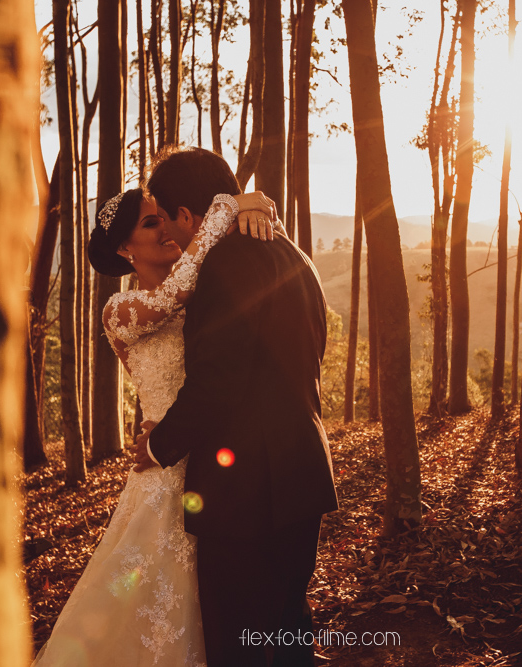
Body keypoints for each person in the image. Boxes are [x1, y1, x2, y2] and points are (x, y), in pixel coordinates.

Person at [31, 174, 280, 667]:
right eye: (151, 223)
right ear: (125, 248)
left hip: (217, 463)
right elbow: (173, 298)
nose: (165, 227)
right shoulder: (119, 311)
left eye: (164, 216)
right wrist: (228, 203)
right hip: (164, 471)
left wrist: (252, 206)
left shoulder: (210, 289)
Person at [136, 146, 339, 666]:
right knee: (289, 629)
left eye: (167, 220)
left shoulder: (225, 266)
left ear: (188, 215)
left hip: (247, 491)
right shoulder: (293, 254)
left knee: (240, 641)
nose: (170, 237)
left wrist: (158, 445)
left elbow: (217, 382)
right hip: (302, 473)